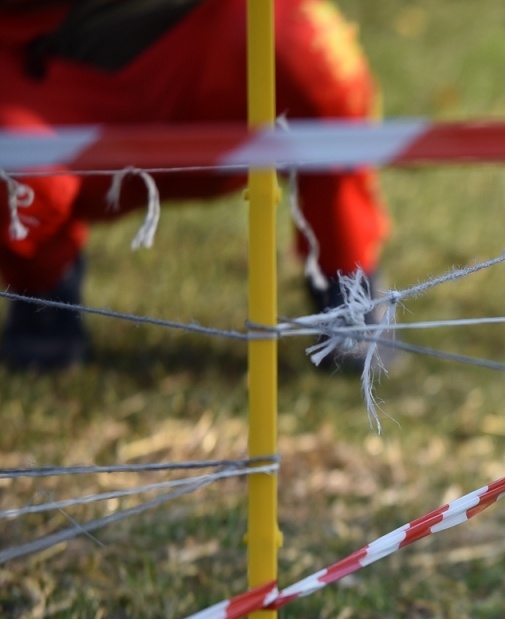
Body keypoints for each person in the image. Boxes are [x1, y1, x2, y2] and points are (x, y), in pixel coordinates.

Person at [0, 0, 390, 371]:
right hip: (43, 62)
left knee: (304, 50)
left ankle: (347, 279)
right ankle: (43, 291)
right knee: (13, 161)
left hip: (207, 38)